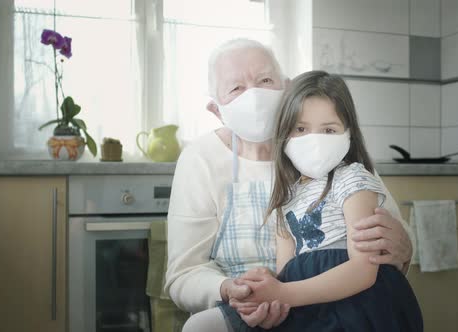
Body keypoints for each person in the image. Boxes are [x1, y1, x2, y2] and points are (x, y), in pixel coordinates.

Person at [165, 39, 415, 331]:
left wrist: (404, 248)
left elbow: (390, 237)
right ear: (216, 109)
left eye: (265, 80)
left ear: (286, 88)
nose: (254, 95)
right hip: (249, 305)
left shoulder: (330, 153)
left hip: (340, 297)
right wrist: (234, 291)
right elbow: (184, 274)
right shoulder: (200, 158)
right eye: (236, 88)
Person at [217, 70, 423, 331]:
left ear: (349, 134)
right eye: (300, 129)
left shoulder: (352, 179)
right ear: (284, 134)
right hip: (307, 307)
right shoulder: (284, 197)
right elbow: (286, 271)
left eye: (328, 130)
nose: (314, 140)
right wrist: (263, 288)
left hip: (359, 307)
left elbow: (363, 271)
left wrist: (282, 293)